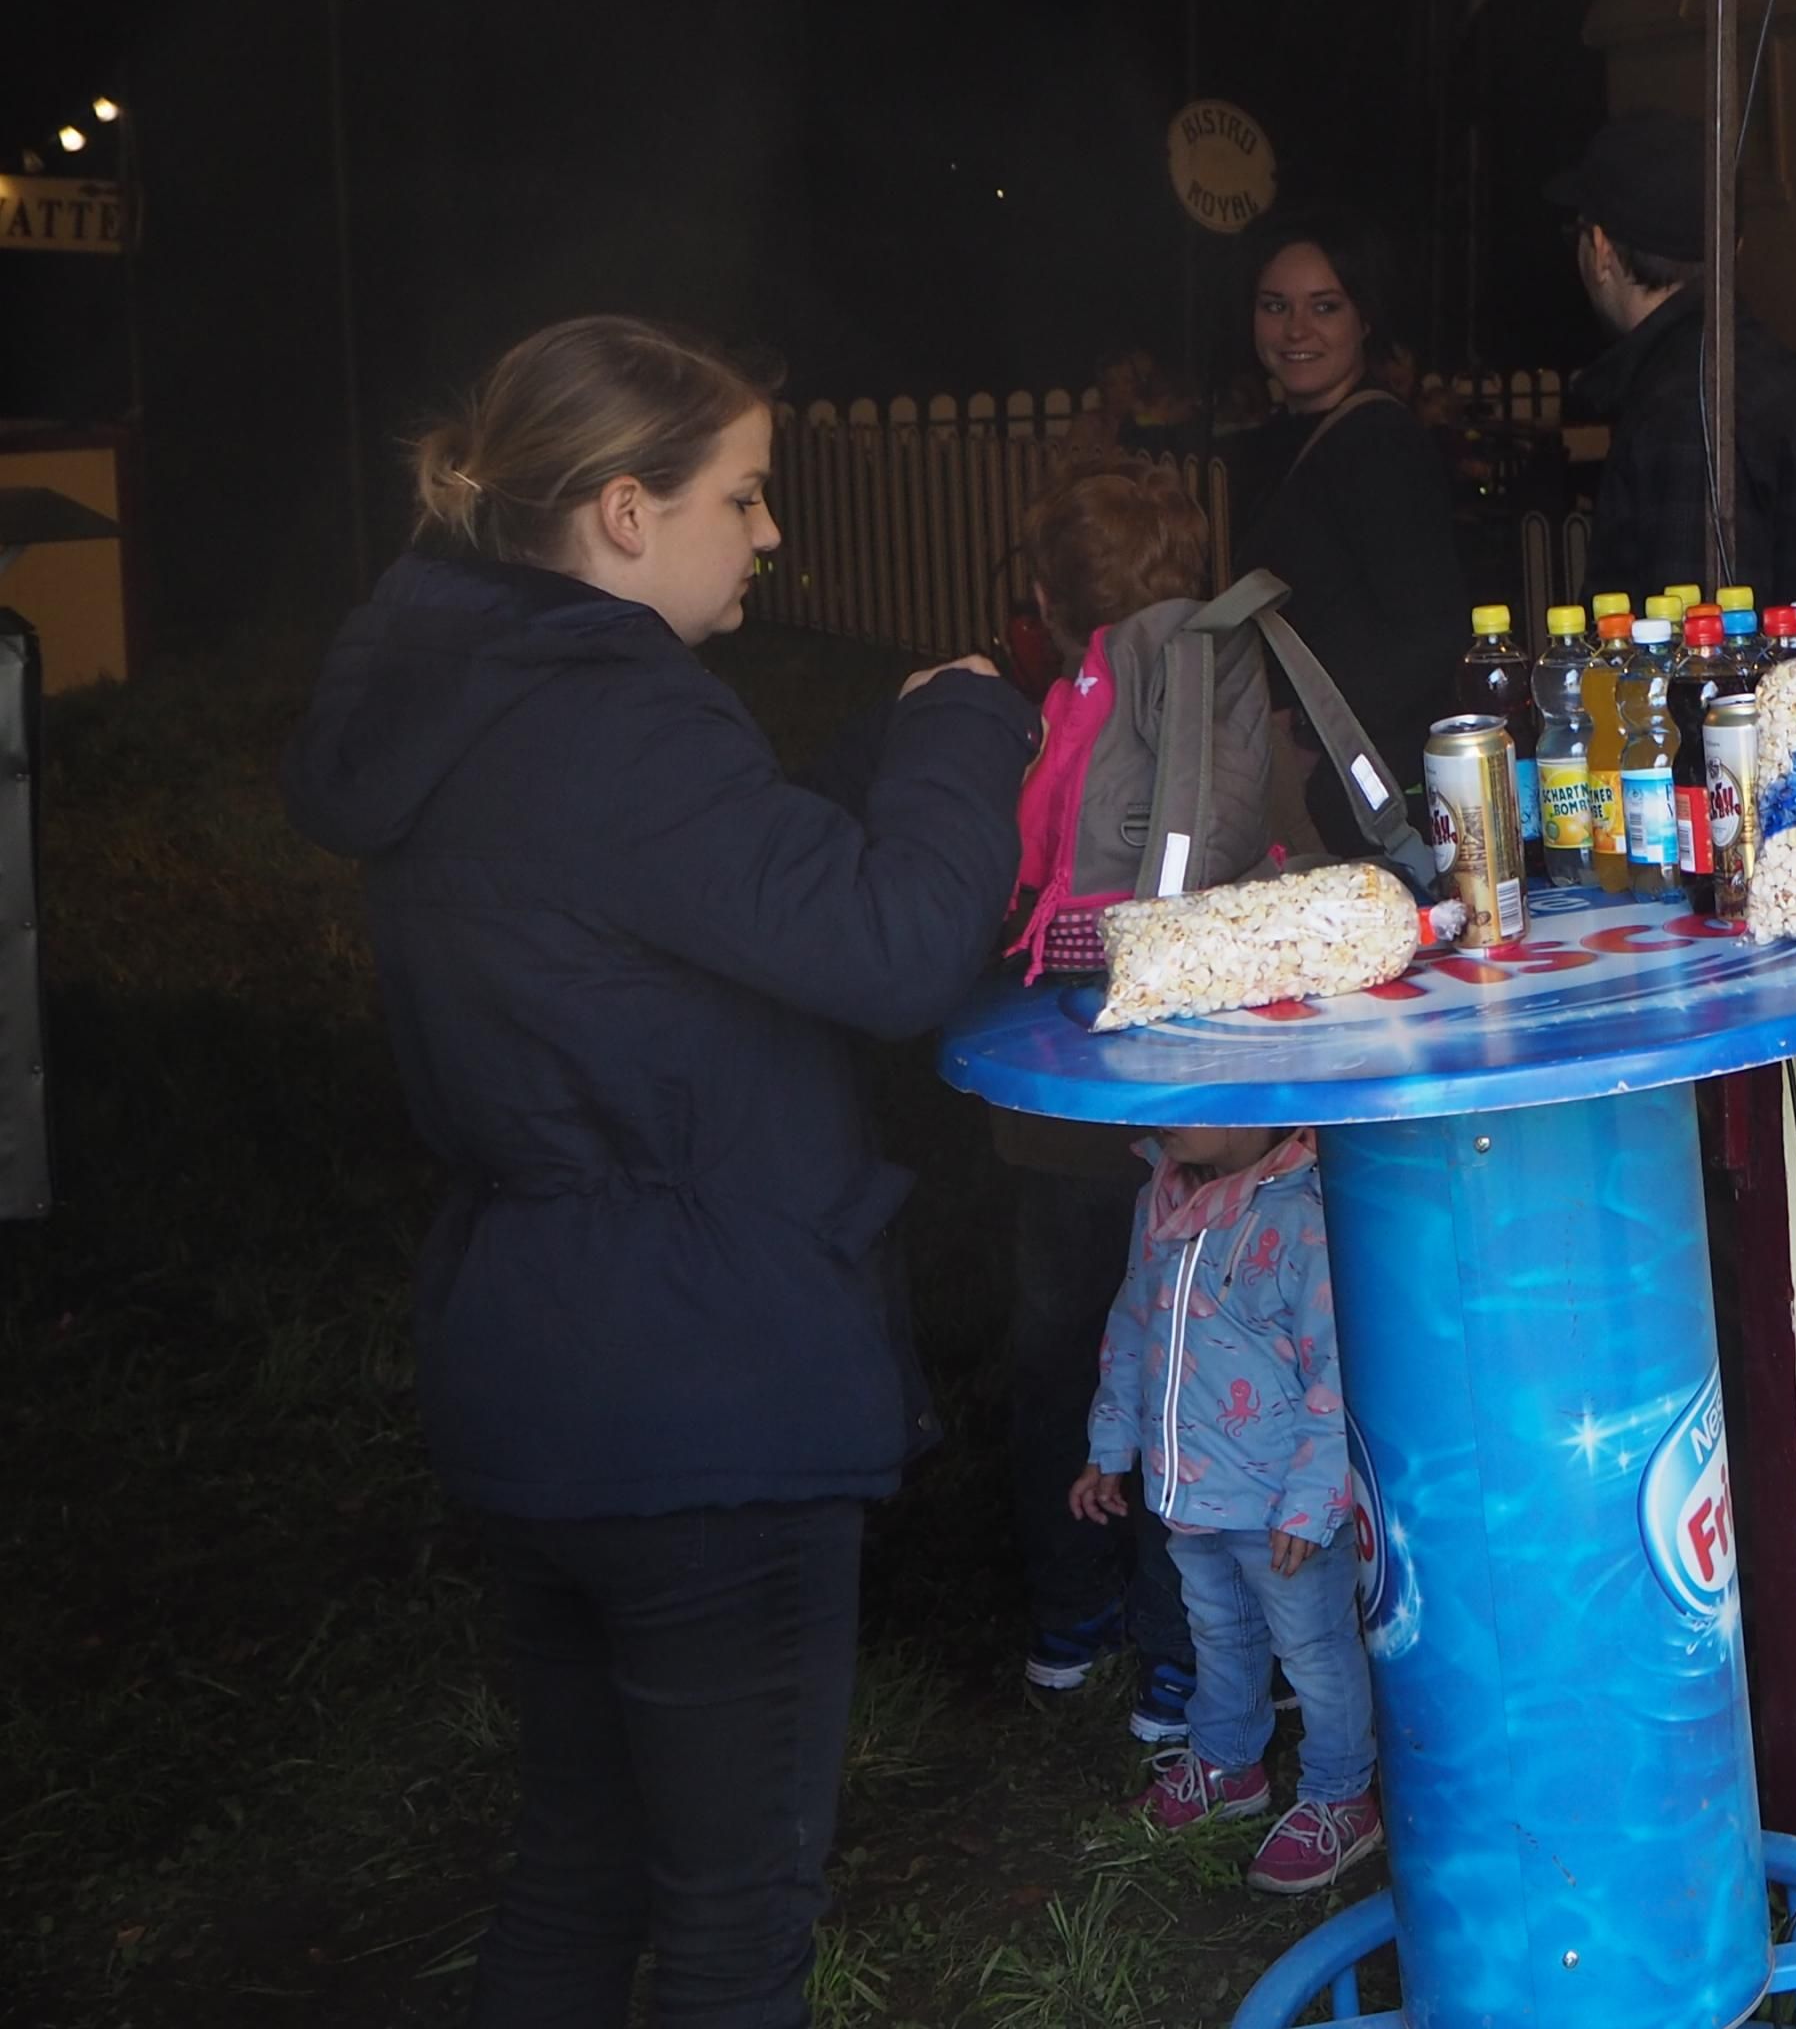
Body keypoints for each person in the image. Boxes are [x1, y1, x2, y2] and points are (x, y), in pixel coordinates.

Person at [282, 316, 1033, 2029]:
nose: (770, 533)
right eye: (743, 496)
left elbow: (706, 886)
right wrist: (971, 727)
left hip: (542, 1366)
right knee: (732, 1932)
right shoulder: (609, 720)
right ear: (625, 510)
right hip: (694, 1389)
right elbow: (894, 947)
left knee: (582, 1872)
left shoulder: (482, 692)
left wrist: (882, 742)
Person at [997, 454, 1275, 1741]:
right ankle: (1188, 1658)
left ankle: (1068, 1619)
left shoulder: (1069, 705)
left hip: (1061, 1106)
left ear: (1050, 602)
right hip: (1201, 1101)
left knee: (1063, 1355)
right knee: (1192, 1367)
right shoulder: (1224, 680)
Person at [1074, 1121, 1383, 1895]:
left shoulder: (1304, 1215)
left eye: (1196, 1091)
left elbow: (1339, 1368)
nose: (1168, 1110)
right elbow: (1132, 1322)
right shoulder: (1162, 1198)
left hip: (1283, 1503)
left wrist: (1312, 1502)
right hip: (1190, 1489)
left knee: (1314, 1650)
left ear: (1259, 1099)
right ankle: (1227, 1766)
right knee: (1216, 1630)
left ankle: (1342, 1797)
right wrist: (1111, 1442)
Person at [1225, 205, 1463, 845]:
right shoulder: (1280, 442)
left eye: (1324, 307)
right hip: (1308, 778)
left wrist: (1309, 734)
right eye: (1275, 306)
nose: (1296, 329)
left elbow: (1431, 631)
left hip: (1356, 792)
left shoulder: (1378, 444)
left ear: (1365, 318)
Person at [1543, 110, 1796, 607]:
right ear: (1734, 247)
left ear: (1601, 250)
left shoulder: (1685, 405)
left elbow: (1693, 638)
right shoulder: (1755, 365)